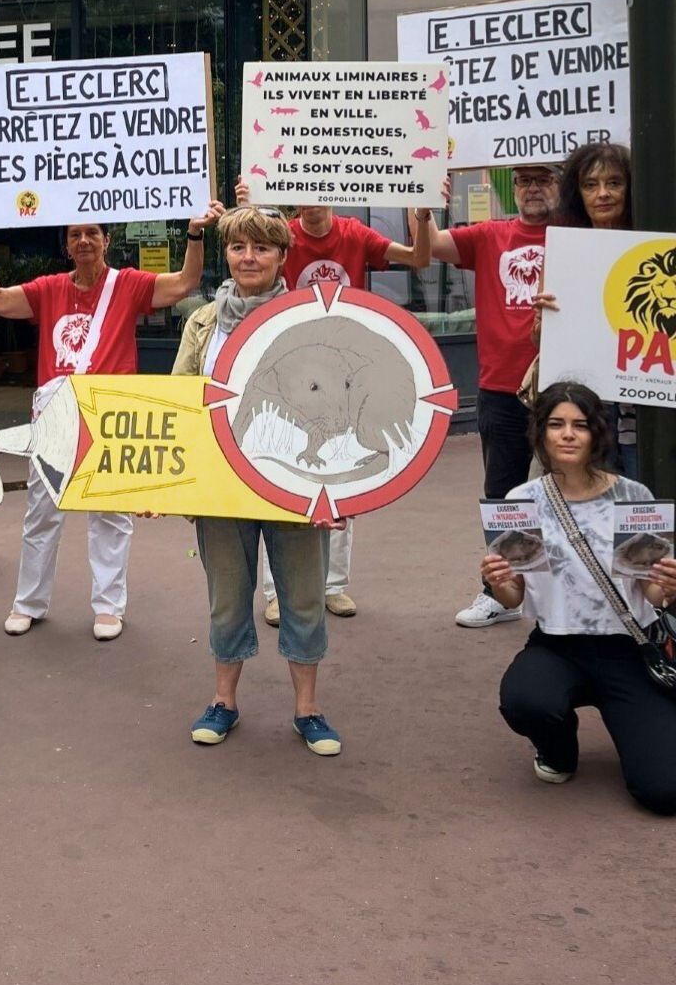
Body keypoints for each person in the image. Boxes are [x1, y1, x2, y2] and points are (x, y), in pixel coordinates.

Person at [0, 201, 221, 640]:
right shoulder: (48, 288)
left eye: (92, 233)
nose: (83, 240)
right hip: (56, 414)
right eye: (74, 234)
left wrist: (196, 234)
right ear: (66, 246)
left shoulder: (127, 285)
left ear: (107, 240)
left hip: (109, 415)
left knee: (110, 514)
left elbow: (185, 282)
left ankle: (108, 607)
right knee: (42, 511)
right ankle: (29, 602)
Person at [173, 206, 342, 755]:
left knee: (305, 597)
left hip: (295, 480)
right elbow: (181, 403)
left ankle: (308, 710)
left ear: (282, 256)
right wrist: (171, 487)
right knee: (227, 598)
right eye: (239, 247)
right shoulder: (202, 321)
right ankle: (224, 702)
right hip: (221, 485)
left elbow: (337, 406)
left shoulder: (312, 318)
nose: (249, 258)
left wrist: (339, 490)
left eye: (262, 248)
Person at [234, 182, 434, 622]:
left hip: (344, 360)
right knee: (283, 472)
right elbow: (244, 259)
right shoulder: (282, 234)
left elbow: (419, 259)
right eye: (300, 184)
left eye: (318, 183)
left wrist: (421, 214)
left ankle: (334, 584)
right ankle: (275, 591)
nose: (311, 195)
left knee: (343, 467)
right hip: (295, 360)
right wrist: (247, 209)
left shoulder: (356, 234)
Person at [486, 382, 676, 814]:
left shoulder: (634, 497)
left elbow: (651, 591)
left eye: (580, 425)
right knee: (526, 700)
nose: (568, 434)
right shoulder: (521, 501)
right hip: (558, 644)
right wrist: (499, 580)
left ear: (597, 434)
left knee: (664, 792)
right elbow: (514, 597)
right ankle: (557, 749)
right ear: (541, 433)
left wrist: (667, 584)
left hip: (629, 647)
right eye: (556, 424)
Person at [427, 163, 558, 628]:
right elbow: (432, 246)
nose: (533, 188)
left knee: (572, 493)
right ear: (514, 189)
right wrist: (421, 199)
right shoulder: (489, 235)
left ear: (559, 185)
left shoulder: (581, 238)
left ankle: (569, 596)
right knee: (504, 494)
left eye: (543, 179)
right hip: (501, 386)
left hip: (567, 388)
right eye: (524, 180)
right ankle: (502, 594)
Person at [539, 142, 636, 478]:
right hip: (585, 411)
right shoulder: (563, 253)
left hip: (643, 412)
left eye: (614, 183)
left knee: (648, 508)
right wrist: (545, 317)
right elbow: (539, 339)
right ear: (577, 193)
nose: (603, 194)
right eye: (590, 185)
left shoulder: (656, 250)